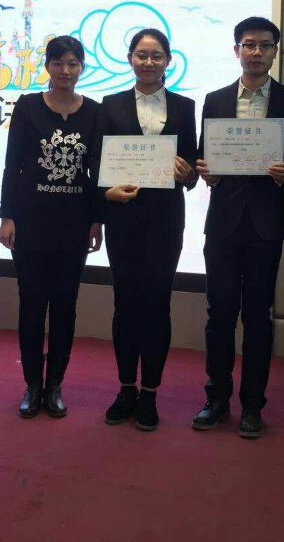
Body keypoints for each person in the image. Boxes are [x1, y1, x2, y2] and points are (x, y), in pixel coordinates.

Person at [191, 16, 284, 438]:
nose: (256, 52)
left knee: (258, 316)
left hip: (266, 225)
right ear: (236, 49)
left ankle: (253, 405)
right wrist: (206, 171)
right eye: (249, 44)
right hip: (223, 223)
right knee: (219, 314)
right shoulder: (216, 99)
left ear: (275, 51)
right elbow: (205, 154)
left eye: (265, 45)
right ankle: (216, 399)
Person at [93, 28, 198, 432]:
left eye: (156, 55)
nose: (148, 62)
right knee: (125, 304)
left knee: (157, 304)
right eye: (141, 54)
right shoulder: (110, 104)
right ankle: (126, 389)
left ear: (168, 60)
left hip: (165, 222)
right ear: (130, 59)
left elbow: (192, 166)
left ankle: (150, 392)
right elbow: (98, 160)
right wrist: (106, 193)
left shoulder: (185, 106)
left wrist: (188, 174)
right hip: (123, 219)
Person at [0, 35, 102, 420]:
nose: (65, 71)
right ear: (47, 66)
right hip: (30, 222)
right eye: (58, 63)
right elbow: (12, 165)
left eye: (73, 64)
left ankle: (55, 385)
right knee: (31, 304)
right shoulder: (27, 106)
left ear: (82, 68)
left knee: (64, 306)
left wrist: (96, 220)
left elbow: (97, 172)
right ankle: (32, 385)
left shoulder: (95, 112)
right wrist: (7, 216)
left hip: (74, 224)